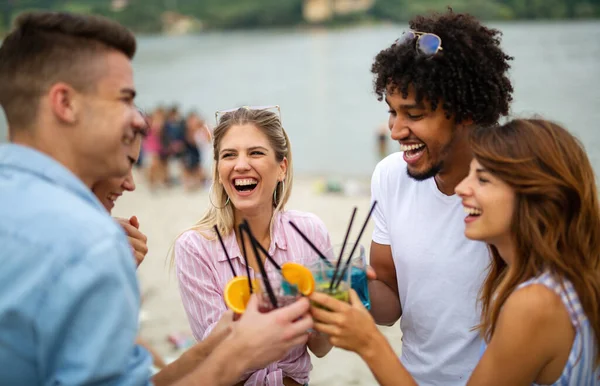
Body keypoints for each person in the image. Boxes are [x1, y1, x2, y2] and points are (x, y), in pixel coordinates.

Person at [0, 11, 314, 385]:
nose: (137, 120)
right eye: (124, 98)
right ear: (65, 103)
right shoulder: (89, 244)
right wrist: (239, 355)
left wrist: (212, 346)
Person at [309, 118, 600, 385]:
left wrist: (368, 342)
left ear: (535, 197)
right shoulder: (566, 282)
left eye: (482, 179)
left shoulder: (535, 303)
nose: (462, 188)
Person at [366, 9, 514, 385]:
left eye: (412, 114)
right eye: (392, 112)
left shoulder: (516, 187)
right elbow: (388, 304)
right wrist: (349, 290)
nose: (396, 130)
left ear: (463, 112)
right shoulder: (389, 176)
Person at [174, 106, 333, 386]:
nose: (241, 165)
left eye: (256, 153)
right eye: (229, 155)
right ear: (218, 169)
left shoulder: (310, 232)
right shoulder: (195, 247)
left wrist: (327, 317)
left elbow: (321, 348)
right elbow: (215, 356)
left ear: (282, 167)